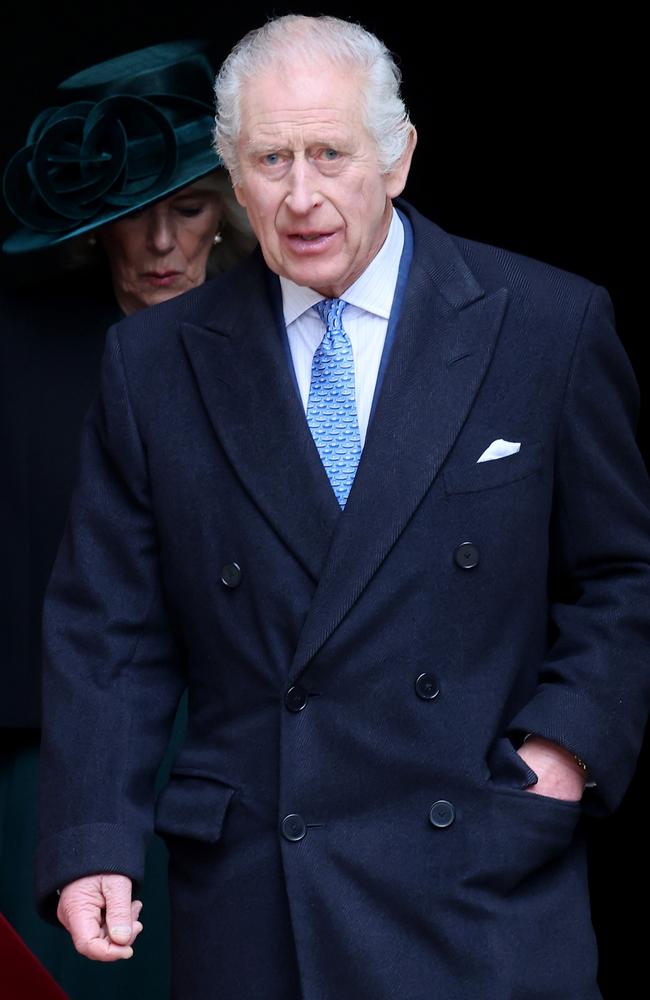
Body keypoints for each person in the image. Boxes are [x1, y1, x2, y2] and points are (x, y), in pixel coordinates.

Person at [37, 14, 650, 1000]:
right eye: (270, 159)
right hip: (257, 892)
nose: (302, 194)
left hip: (479, 874)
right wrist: (92, 836)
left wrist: (562, 746)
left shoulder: (547, 325)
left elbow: (618, 575)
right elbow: (109, 628)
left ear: (398, 157)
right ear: (234, 180)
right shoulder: (151, 365)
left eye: (330, 153)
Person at [0, 39, 253, 1000]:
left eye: (186, 211)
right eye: (131, 218)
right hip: (58, 731)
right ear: (92, 226)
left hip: (247, 733)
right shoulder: (22, 355)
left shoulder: (290, 337)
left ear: (225, 213)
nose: (159, 246)